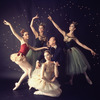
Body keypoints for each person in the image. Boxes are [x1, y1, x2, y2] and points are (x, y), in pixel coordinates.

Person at [48, 15, 96, 85]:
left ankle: (87, 77)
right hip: (66, 52)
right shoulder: (65, 34)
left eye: (72, 26)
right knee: (71, 66)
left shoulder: (74, 38)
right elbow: (58, 27)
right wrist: (52, 20)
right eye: (70, 26)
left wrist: (90, 49)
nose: (70, 27)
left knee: (79, 65)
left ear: (74, 28)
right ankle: (71, 80)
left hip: (73, 52)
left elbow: (82, 45)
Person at [3, 20, 48, 90]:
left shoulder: (28, 44)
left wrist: (44, 47)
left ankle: (18, 84)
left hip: (21, 59)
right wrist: (9, 24)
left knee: (26, 72)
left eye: (28, 34)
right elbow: (14, 33)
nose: (28, 35)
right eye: (26, 34)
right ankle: (30, 83)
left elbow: (35, 49)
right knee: (30, 68)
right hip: (19, 57)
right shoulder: (22, 40)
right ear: (23, 36)